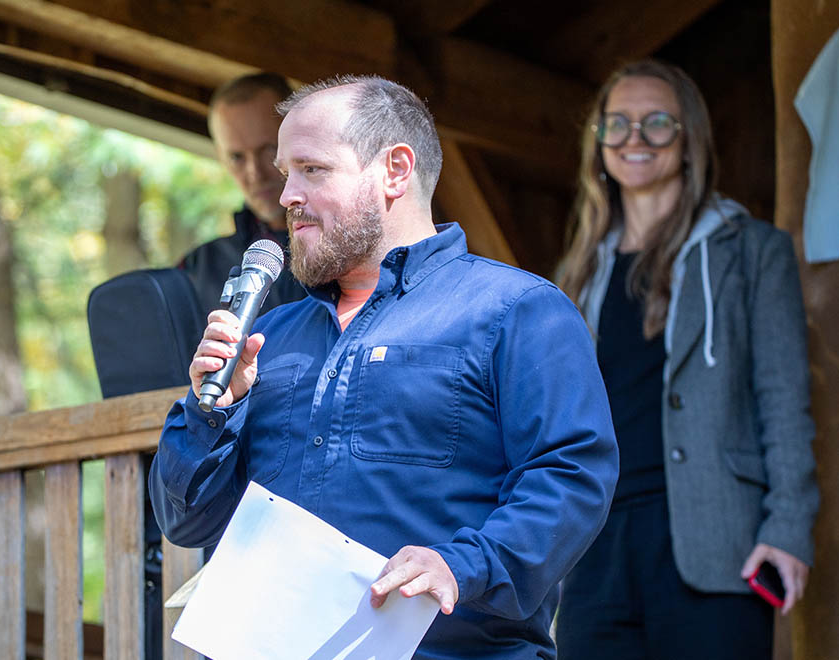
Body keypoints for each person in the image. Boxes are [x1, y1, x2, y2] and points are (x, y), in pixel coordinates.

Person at [150, 75, 619, 658]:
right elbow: (183, 524)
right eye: (285, 171)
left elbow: (572, 473)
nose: (286, 193)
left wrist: (462, 564)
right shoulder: (266, 339)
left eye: (312, 170)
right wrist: (210, 413)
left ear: (395, 169)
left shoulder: (516, 310)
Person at [554, 60, 818, 660]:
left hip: (714, 540)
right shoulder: (577, 270)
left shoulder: (752, 249)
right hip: (596, 552)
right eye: (616, 124)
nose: (635, 139)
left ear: (689, 136)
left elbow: (783, 400)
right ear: (598, 144)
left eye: (657, 123)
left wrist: (788, 529)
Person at [179, 72, 306, 313]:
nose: (255, 173)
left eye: (269, 150)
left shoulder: (346, 251)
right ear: (220, 157)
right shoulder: (196, 270)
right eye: (237, 157)